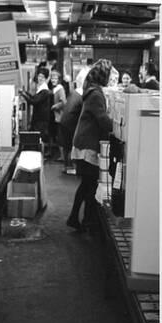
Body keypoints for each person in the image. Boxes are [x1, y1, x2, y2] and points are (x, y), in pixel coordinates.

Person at [67, 58, 114, 231]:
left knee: (87, 183)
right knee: (89, 183)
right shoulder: (95, 94)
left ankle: (81, 218)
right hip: (87, 144)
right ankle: (82, 219)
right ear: (104, 76)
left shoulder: (92, 90)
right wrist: (120, 126)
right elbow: (102, 119)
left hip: (83, 142)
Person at [19, 67, 52, 155]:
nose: (40, 78)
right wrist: (25, 92)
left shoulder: (45, 91)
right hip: (39, 119)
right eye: (39, 76)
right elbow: (34, 97)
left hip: (41, 121)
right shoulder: (41, 89)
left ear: (46, 79)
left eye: (43, 77)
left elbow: (33, 101)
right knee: (37, 138)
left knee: (39, 139)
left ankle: (40, 155)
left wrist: (23, 94)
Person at [60, 80, 84, 174]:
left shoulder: (74, 93)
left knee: (66, 146)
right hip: (71, 124)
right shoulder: (81, 96)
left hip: (64, 122)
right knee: (72, 145)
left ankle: (67, 166)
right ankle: (71, 168)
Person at [50, 70, 67, 162]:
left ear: (59, 79)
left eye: (55, 78)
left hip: (59, 116)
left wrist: (55, 106)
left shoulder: (60, 89)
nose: (53, 80)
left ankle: (62, 156)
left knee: (60, 136)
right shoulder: (55, 88)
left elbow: (64, 102)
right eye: (52, 78)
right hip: (56, 116)